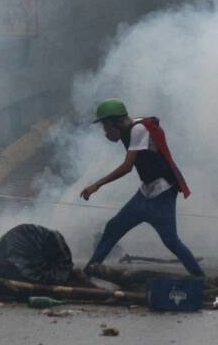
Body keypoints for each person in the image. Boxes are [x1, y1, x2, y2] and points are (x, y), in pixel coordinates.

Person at [80, 99, 204, 278]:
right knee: (114, 226)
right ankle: (90, 270)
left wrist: (97, 185)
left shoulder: (138, 130)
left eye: (106, 126)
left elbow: (127, 166)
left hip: (161, 193)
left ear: (114, 122)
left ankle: (199, 278)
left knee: (170, 240)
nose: (105, 132)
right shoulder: (128, 130)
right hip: (146, 192)